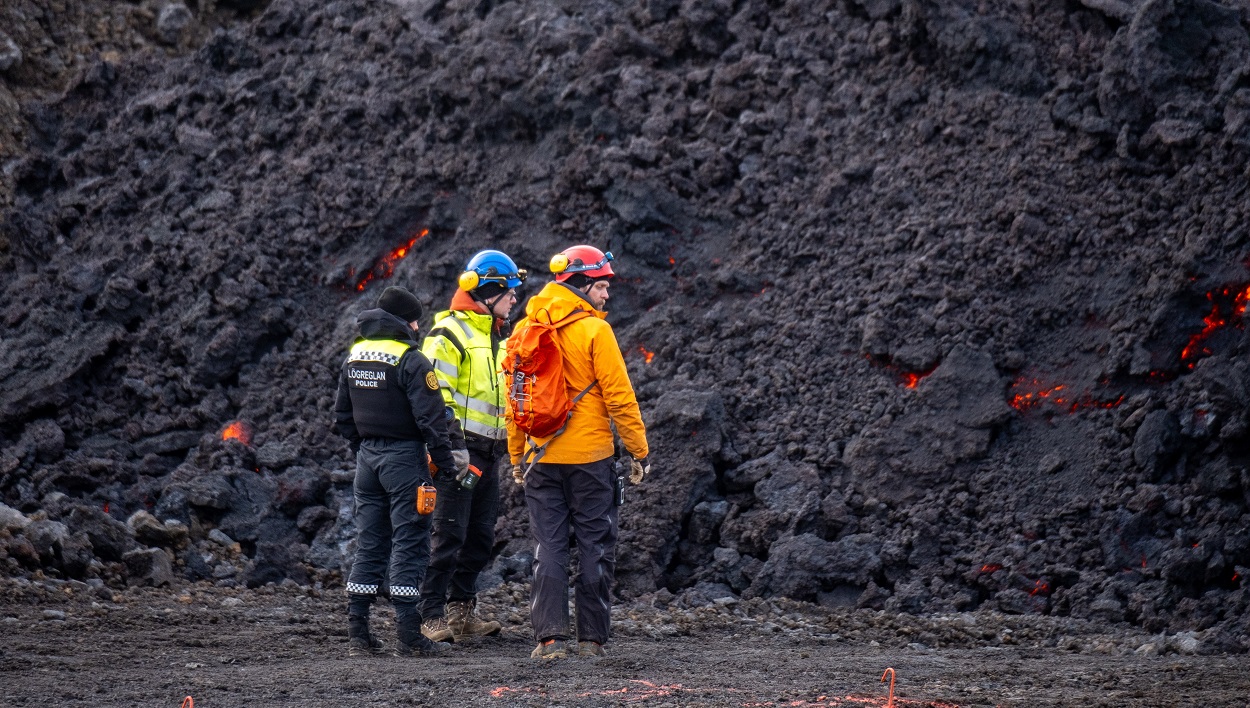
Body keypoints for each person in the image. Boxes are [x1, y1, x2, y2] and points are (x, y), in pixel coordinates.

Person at [507, 245, 651, 660]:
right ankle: (590, 641)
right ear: (582, 284)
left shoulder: (524, 330)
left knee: (547, 547)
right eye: (602, 286)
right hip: (590, 459)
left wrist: (518, 456)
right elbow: (620, 397)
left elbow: (515, 403)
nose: (607, 295)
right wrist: (638, 451)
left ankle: (550, 640)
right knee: (594, 545)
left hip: (540, 458)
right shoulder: (595, 332)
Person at [333, 285, 468, 658]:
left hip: (367, 461)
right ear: (407, 322)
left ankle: (358, 631)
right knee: (410, 541)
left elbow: (342, 417)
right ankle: (409, 635)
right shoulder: (411, 359)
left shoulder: (355, 356)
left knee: (370, 542)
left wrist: (363, 450)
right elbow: (431, 421)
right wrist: (444, 462)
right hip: (405, 460)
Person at [417, 250, 524, 643]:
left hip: (490, 454)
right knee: (447, 536)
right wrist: (451, 448)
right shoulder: (449, 334)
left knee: (479, 538)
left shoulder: (498, 339)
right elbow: (434, 397)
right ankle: (428, 616)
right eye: (509, 290)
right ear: (488, 291)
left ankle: (461, 613)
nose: (515, 298)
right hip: (458, 455)